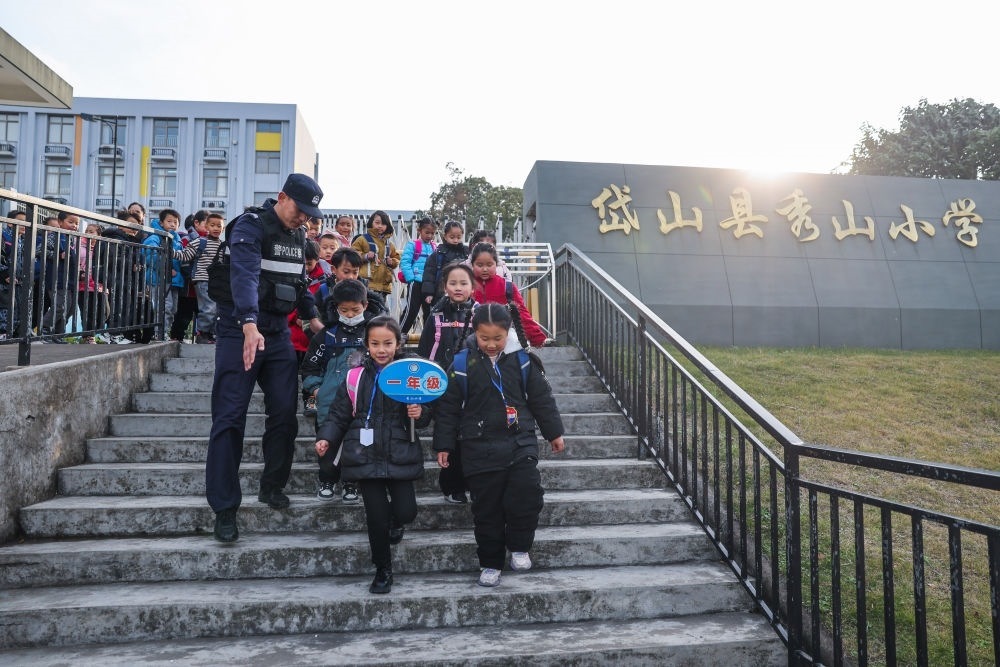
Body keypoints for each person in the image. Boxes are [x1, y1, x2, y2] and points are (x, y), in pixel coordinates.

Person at [206, 172, 325, 543]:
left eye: (309, 214)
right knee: (229, 419)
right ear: (281, 196)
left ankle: (272, 486)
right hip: (238, 331)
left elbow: (298, 284)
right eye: (299, 209)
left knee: (285, 417)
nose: (303, 218)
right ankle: (225, 509)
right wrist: (248, 322)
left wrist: (317, 322)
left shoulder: (299, 235)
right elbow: (243, 274)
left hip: (275, 335)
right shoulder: (250, 225)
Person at [433, 303, 565, 587]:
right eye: (484, 338)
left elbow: (541, 400)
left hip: (520, 442)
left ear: (508, 333)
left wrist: (553, 433)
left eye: (497, 338)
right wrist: (444, 444)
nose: (491, 344)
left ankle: (519, 546)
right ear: (474, 333)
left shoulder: (524, 361)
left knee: (528, 496)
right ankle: (490, 562)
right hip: (478, 447)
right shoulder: (461, 364)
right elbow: (448, 408)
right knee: (487, 509)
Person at [314, 315, 432, 594]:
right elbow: (339, 415)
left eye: (388, 343)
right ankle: (383, 570)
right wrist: (326, 438)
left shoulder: (409, 374)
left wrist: (420, 412)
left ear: (398, 343)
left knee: (407, 511)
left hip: (400, 451)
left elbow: (427, 414)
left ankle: (396, 523)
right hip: (364, 455)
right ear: (367, 344)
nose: (381, 349)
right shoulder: (355, 377)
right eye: (375, 343)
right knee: (376, 519)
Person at [300, 278, 373, 504]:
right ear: (335, 308)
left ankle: (351, 483)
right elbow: (310, 366)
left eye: (355, 310)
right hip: (329, 402)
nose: (350, 314)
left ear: (365, 305)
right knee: (326, 444)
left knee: (357, 444)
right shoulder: (326, 335)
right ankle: (327, 480)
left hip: (361, 403)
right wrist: (316, 390)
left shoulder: (373, 333)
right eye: (344, 310)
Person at [416, 261, 478, 503]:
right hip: (443, 385)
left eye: (464, 283)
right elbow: (426, 351)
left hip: (472, 385)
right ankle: (452, 486)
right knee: (448, 435)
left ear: (472, 287)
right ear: (444, 286)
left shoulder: (480, 313)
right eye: (453, 283)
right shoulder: (436, 315)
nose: (458, 287)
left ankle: (473, 482)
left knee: (471, 436)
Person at [469, 243, 548, 349]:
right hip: (472, 340)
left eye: (489, 265)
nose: (484, 269)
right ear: (472, 264)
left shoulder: (506, 286)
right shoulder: (465, 285)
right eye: (480, 265)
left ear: (496, 264)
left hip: (501, 342)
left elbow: (521, 313)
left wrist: (536, 336)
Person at [173, 211, 224, 344]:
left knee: (216, 308)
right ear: (206, 226)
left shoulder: (222, 245)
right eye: (212, 225)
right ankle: (202, 333)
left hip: (216, 282)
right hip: (202, 279)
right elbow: (185, 255)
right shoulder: (199, 242)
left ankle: (210, 334)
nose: (216, 228)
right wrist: (170, 251)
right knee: (209, 307)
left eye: (219, 226)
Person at [143, 208, 185, 340]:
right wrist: (167, 267)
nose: (173, 224)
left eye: (175, 222)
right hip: (159, 279)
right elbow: (149, 255)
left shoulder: (176, 240)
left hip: (173, 280)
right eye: (169, 221)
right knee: (163, 307)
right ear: (161, 223)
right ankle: (159, 333)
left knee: (172, 309)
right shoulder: (155, 237)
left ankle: (163, 332)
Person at [316, 247, 388, 322]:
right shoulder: (324, 290)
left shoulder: (367, 293)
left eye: (355, 272)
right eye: (346, 272)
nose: (351, 277)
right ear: (333, 269)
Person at [40, 211, 80, 340]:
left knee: (69, 309)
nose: (74, 225)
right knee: (60, 306)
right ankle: (44, 328)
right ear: (60, 222)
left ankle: (58, 334)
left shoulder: (72, 238)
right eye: (71, 222)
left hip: (70, 280)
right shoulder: (55, 236)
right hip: (57, 279)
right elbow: (39, 250)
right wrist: (57, 255)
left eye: (76, 223)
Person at [397, 216, 437, 335]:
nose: (429, 236)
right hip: (416, 282)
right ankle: (400, 335)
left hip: (429, 284)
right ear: (419, 231)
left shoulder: (434, 247)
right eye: (427, 232)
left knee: (429, 312)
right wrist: (411, 278)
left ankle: (428, 337)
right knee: (411, 311)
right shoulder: (412, 245)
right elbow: (404, 262)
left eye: (432, 233)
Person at [351, 210, 399, 301]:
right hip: (366, 283)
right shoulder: (362, 239)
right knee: (367, 308)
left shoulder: (389, 244)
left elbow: (396, 258)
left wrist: (392, 262)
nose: (380, 226)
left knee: (380, 309)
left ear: (388, 226)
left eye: (384, 224)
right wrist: (365, 256)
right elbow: (352, 254)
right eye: (377, 223)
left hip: (383, 286)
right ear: (371, 223)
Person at [420, 220, 467, 305]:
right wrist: (429, 293)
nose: (456, 240)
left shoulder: (466, 253)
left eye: (459, 237)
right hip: (442, 294)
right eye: (452, 237)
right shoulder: (438, 254)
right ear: (445, 236)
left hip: (463, 293)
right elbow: (429, 275)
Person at [77, 222, 109, 344]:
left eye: (91, 231)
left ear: (99, 235)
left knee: (104, 312)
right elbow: (75, 262)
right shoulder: (80, 245)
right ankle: (88, 336)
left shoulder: (102, 248)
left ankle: (93, 333)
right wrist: (80, 273)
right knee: (87, 311)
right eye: (87, 231)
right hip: (83, 285)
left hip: (99, 285)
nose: (87, 233)